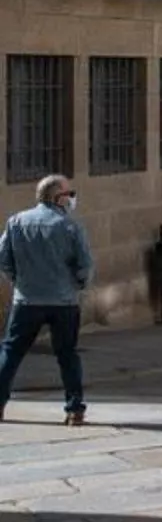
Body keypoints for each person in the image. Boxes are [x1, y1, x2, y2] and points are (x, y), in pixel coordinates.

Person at [0, 174, 94, 425]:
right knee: (67, 355)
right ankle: (74, 409)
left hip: (27, 300)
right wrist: (78, 285)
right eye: (69, 194)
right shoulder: (70, 227)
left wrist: (19, 281)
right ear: (57, 198)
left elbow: (4, 259)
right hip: (64, 301)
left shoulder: (16, 222)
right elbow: (85, 265)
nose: (72, 199)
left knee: (11, 352)